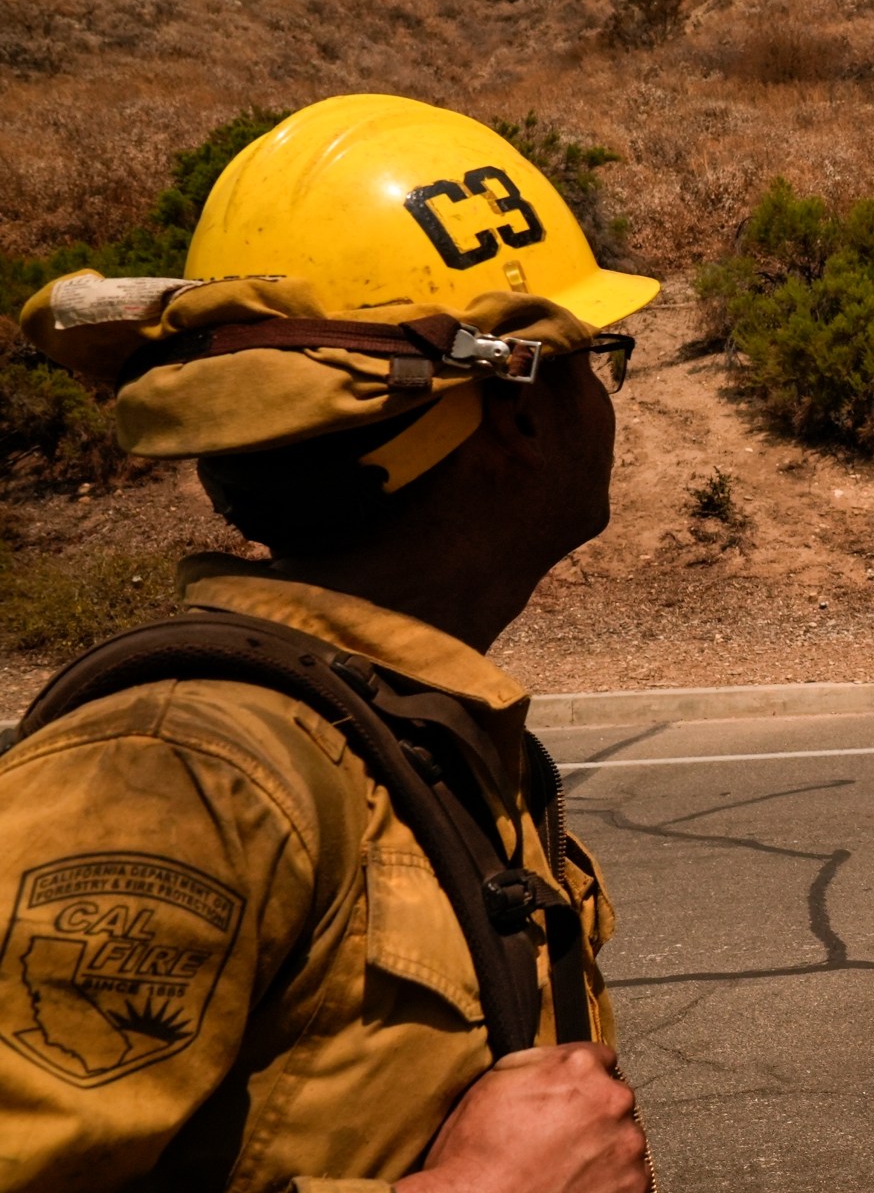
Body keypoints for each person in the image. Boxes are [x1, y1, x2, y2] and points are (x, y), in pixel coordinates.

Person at [0, 94, 660, 1193]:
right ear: (522, 413)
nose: (605, 395)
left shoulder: (398, 737)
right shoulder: (176, 774)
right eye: (595, 356)